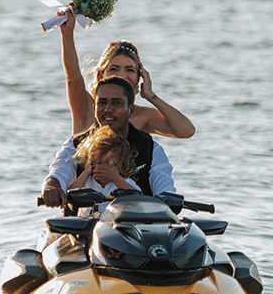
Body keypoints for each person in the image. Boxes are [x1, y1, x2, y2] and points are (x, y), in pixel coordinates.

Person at [57, 9, 196, 139]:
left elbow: (186, 131)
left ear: (139, 78)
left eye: (129, 70)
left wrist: (151, 96)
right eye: (114, 69)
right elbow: (72, 78)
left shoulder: (143, 116)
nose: (121, 75)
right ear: (101, 76)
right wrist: (66, 34)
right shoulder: (86, 107)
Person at [41, 77, 174, 208]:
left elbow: (165, 190)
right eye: (103, 102)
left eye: (117, 103)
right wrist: (51, 187)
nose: (108, 109)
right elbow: (58, 172)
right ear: (94, 109)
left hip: (134, 224)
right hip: (83, 226)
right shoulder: (75, 145)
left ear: (131, 110)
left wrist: (169, 200)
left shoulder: (151, 149)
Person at [71, 125, 139, 203]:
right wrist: (86, 172)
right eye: (99, 163)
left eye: (110, 164)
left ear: (121, 166)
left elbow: (138, 199)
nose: (104, 168)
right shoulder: (86, 182)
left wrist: (115, 178)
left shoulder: (126, 183)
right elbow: (69, 195)